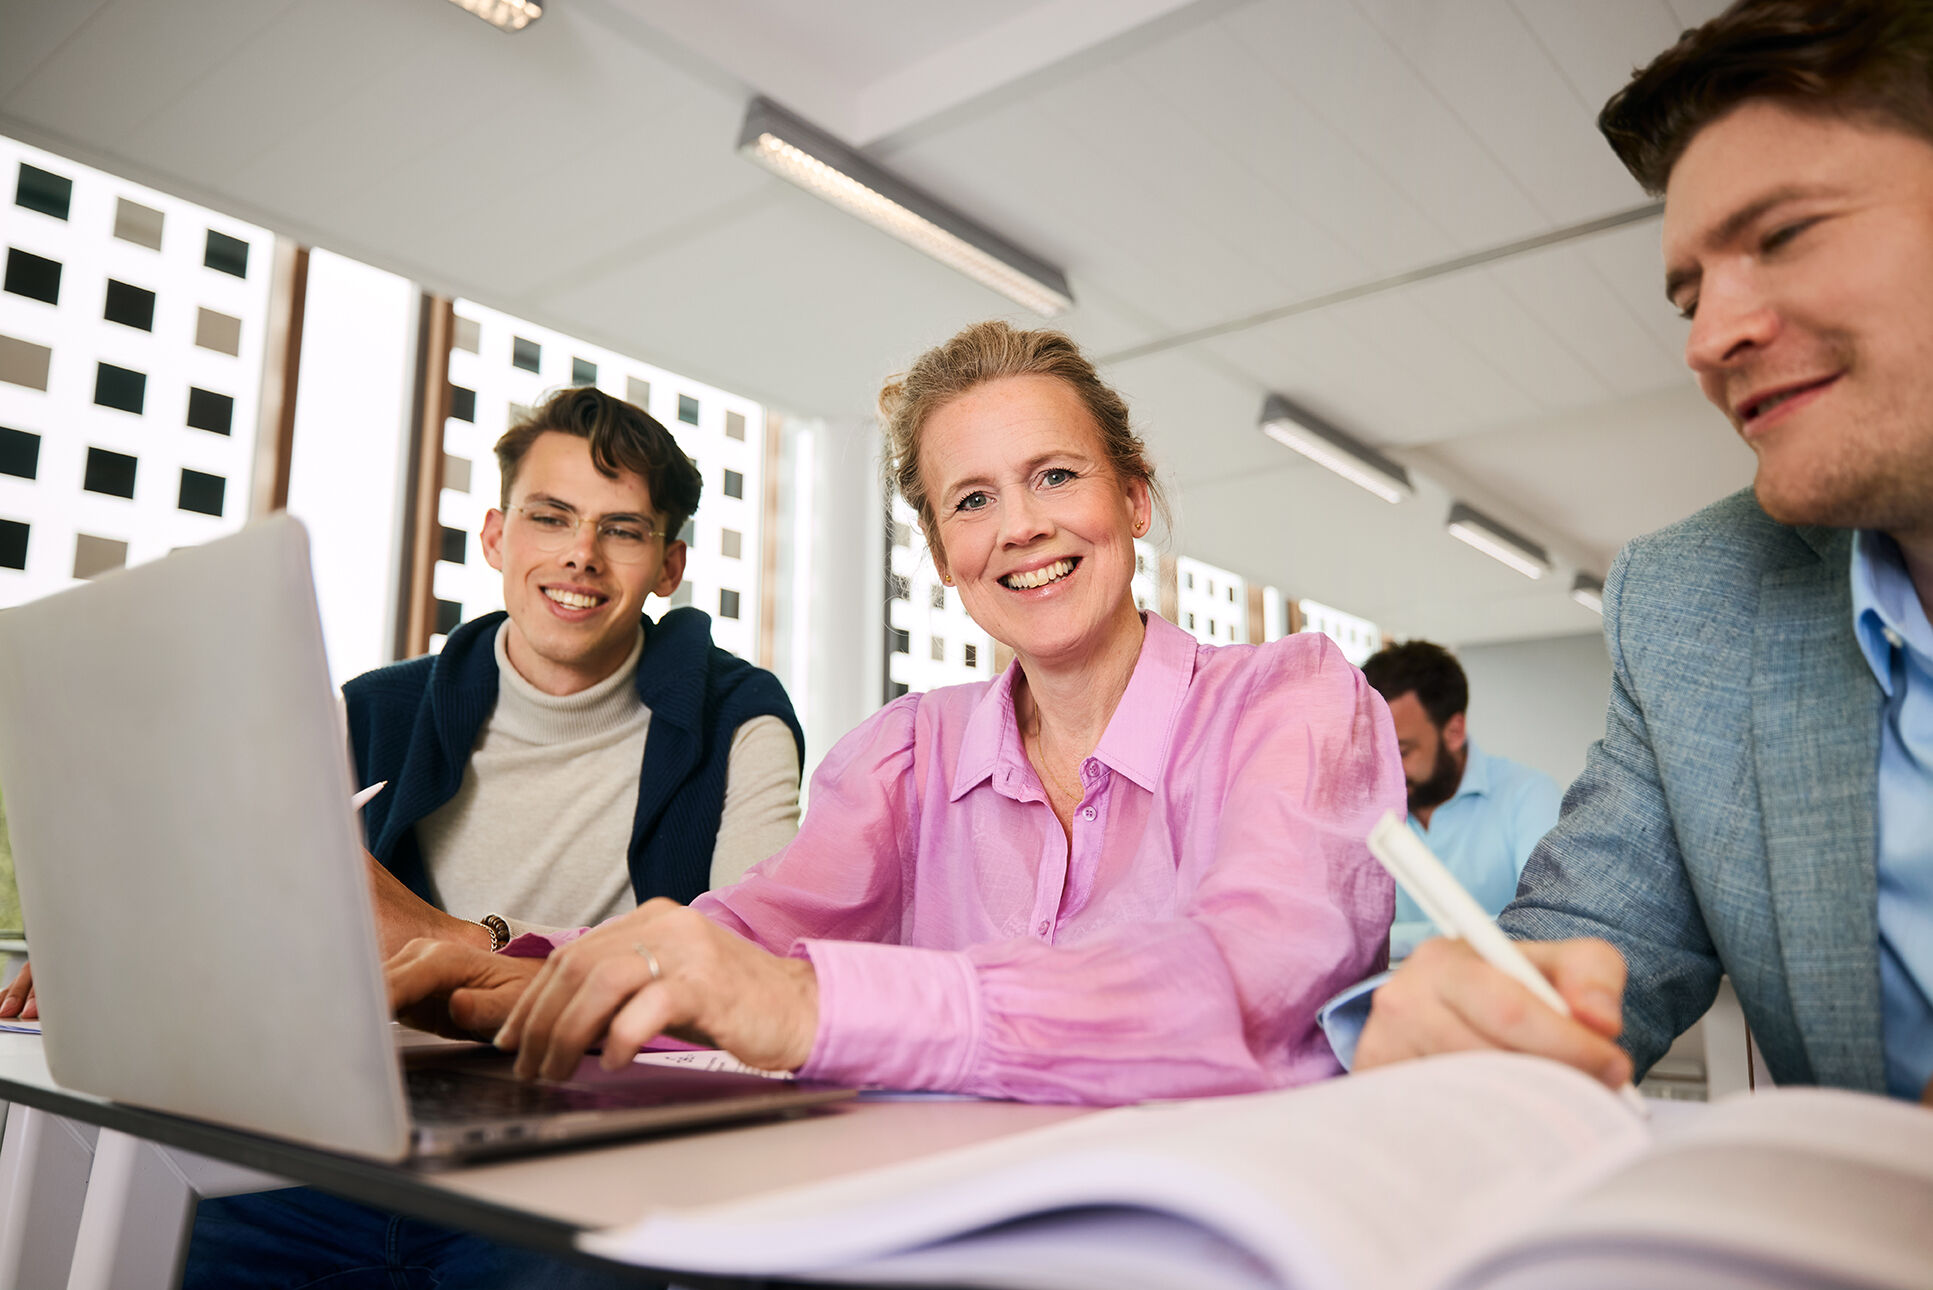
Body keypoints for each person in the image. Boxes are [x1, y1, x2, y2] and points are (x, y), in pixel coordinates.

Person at [389, 320, 1403, 1105]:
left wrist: (810, 1004)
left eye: (1054, 476)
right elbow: (740, 940)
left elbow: (1249, 987)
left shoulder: (1292, 700)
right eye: (970, 501)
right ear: (938, 550)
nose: (1020, 528)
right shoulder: (909, 751)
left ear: (1132, 499)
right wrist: (521, 973)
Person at [1350, 0, 1933, 1105]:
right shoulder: (1690, 604)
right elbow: (1580, 941)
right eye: (1688, 293)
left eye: (1784, 235)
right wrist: (1480, 1025)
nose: (1708, 341)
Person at [181, 387, 807, 1289]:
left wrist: (463, 948)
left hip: (576, 1152)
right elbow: (258, 917)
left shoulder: (736, 719)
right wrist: (148, 943)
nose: (579, 555)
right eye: (549, 518)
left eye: (622, 530)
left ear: (668, 566)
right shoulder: (373, 709)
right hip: (348, 1140)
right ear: (495, 537)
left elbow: (753, 965)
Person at [1359, 641, 1559, 961]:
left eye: (1402, 751)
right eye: (1375, 751)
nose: (1385, 770)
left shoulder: (1529, 796)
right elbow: (1348, 936)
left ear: (1454, 732)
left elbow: (1545, 924)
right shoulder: (1364, 813)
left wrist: (1391, 943)